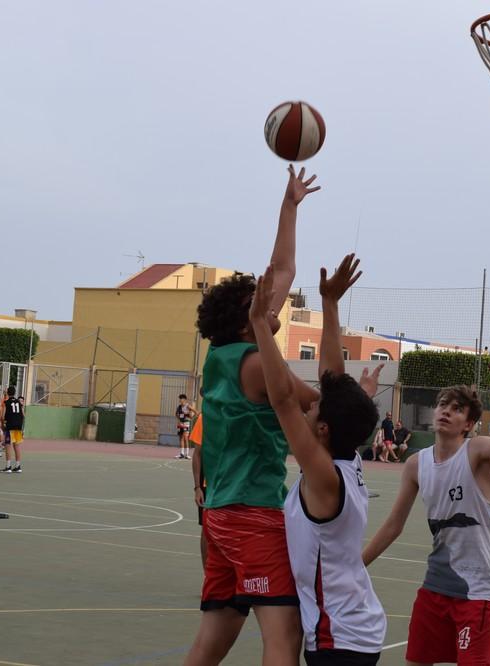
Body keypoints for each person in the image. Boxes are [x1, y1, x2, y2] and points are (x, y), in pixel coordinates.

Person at [184, 165, 319, 666]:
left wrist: (290, 205)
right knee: (284, 637)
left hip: (219, 515)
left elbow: (281, 270)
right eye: (258, 300)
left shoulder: (222, 357)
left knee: (213, 638)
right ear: (249, 317)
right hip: (253, 514)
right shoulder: (257, 364)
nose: (272, 295)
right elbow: (309, 399)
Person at [251, 257, 386, 665]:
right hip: (353, 631)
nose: (308, 409)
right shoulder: (347, 460)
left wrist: (260, 325)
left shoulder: (325, 477)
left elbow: (282, 400)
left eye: (316, 410)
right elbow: (332, 375)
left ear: (323, 429)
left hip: (339, 640)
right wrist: (330, 304)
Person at [362, 349, 490, 666]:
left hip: (479, 587)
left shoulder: (477, 451)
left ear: (468, 423)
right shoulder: (416, 464)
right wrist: (357, 566)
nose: (445, 411)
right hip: (436, 584)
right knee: (415, 660)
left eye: (456, 409)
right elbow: (392, 526)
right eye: (442, 405)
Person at [190, 412, 208, 566]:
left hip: (233, 485)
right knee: (207, 530)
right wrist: (197, 487)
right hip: (210, 486)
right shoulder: (205, 417)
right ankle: (207, 575)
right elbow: (197, 454)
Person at [1, 387, 25, 473]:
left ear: (7, 392)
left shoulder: (6, 403)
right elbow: (23, 415)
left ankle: (8, 467)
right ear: (15, 393)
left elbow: (2, 417)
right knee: (17, 446)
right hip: (18, 427)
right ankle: (18, 466)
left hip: (10, 426)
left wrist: (2, 425)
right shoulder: (19, 402)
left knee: (8, 446)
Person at [176, 394, 197, 460]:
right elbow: (176, 414)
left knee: (185, 437)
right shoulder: (179, 407)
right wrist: (179, 420)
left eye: (181, 398)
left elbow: (195, 411)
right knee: (181, 438)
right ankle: (182, 454)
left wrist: (191, 417)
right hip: (180, 423)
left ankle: (187, 454)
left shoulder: (188, 406)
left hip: (186, 423)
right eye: (179, 398)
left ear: (184, 399)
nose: (180, 400)